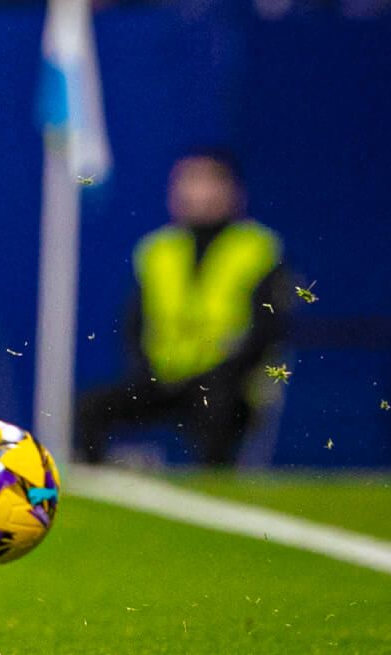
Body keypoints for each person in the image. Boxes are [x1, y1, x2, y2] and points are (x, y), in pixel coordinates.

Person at [75, 151, 292, 467]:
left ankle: (216, 495)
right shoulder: (157, 250)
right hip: (162, 378)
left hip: (226, 383)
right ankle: (101, 488)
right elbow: (133, 326)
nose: (199, 192)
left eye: (210, 181)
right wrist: (146, 371)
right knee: (90, 406)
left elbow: (266, 332)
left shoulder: (258, 248)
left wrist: (221, 374)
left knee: (217, 407)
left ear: (234, 191)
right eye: (189, 181)